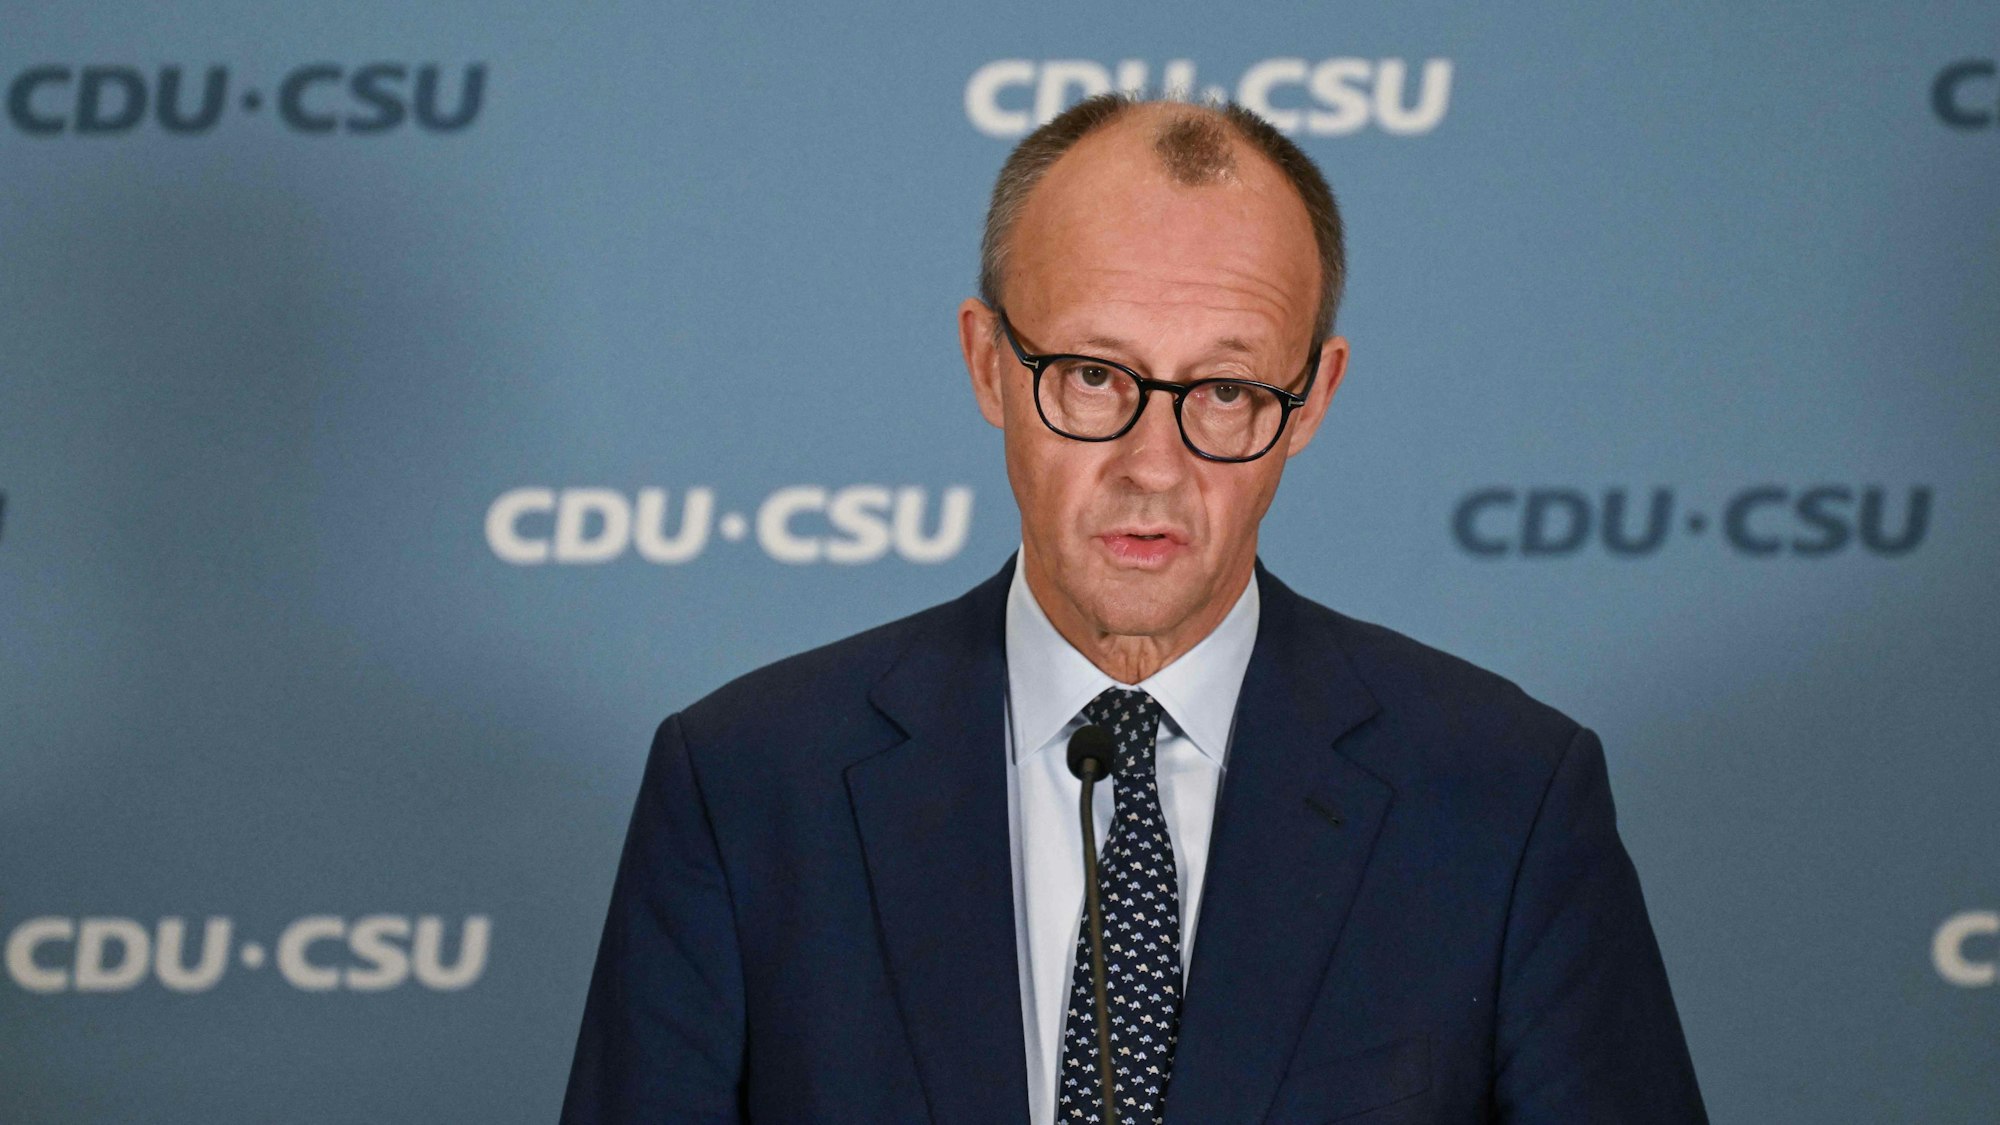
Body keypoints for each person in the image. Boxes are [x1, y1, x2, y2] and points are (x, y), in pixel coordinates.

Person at [561, 94, 1707, 1124]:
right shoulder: (747, 784)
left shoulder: (1503, 799)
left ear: (1310, 400)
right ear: (988, 365)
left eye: (1224, 390)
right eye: (1095, 376)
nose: (1150, 465)